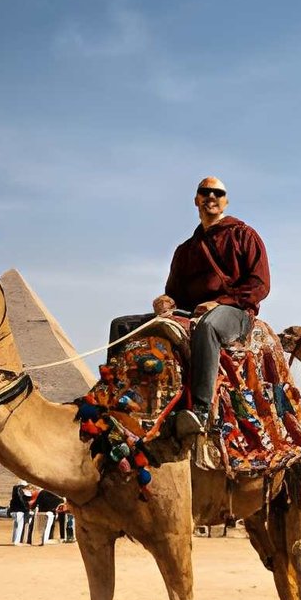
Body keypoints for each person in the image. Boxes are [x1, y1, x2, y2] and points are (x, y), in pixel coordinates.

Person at [108, 176, 270, 436]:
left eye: (218, 192)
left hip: (236, 312)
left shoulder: (244, 235)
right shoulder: (185, 250)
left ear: (226, 201)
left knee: (208, 325)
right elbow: (175, 295)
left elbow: (259, 285)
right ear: (196, 200)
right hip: (190, 312)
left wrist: (219, 303)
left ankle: (202, 411)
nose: (211, 197)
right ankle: (113, 395)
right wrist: (165, 302)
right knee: (121, 325)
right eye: (205, 192)